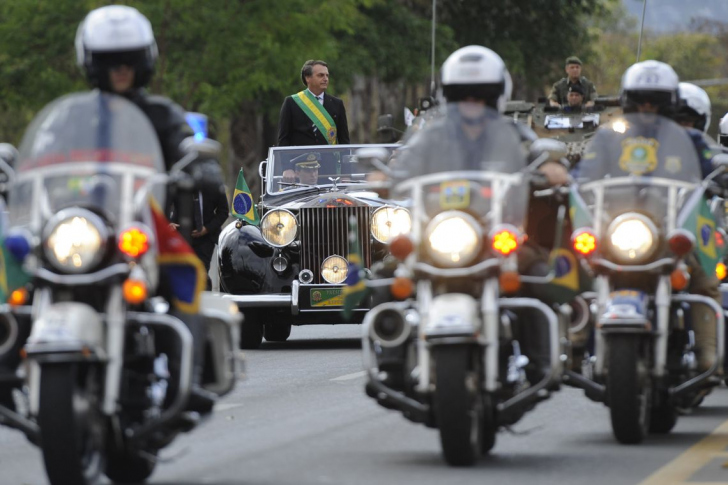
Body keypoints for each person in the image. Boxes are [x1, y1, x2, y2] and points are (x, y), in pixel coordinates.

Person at [75, 5, 222, 413]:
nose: (120, 69)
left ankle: (186, 378)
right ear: (92, 64)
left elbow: (185, 144)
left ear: (144, 62)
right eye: (109, 62)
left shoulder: (162, 114)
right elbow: (46, 159)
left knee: (186, 273)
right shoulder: (76, 118)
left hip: (141, 221)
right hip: (83, 225)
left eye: (129, 61)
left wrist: (202, 165)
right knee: (29, 267)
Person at [396, 45, 570, 385]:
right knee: (390, 274)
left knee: (537, 272)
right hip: (440, 232)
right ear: (450, 97)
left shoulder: (514, 133)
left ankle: (539, 364)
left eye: (481, 96)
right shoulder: (431, 135)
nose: (472, 103)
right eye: (463, 95)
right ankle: (391, 361)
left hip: (497, 233)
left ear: (496, 97)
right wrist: (385, 175)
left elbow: (541, 154)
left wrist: (551, 166)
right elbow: (403, 165)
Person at [582, 60, 720, 374]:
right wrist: (566, 181)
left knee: (704, 276)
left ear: (669, 104)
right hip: (618, 229)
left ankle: (708, 356)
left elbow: (713, 166)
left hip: (670, 230)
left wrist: (720, 175)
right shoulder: (608, 137)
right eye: (640, 100)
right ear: (628, 101)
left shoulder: (691, 140)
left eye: (655, 101)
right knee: (577, 268)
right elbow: (583, 174)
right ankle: (574, 346)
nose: (647, 107)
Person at [278, 60, 350, 181]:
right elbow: (283, 139)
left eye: (327, 75)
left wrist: (346, 174)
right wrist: (287, 168)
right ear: (308, 78)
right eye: (320, 75)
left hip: (329, 171)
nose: (325, 79)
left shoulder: (337, 104)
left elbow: (344, 142)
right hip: (301, 170)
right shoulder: (291, 102)